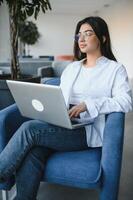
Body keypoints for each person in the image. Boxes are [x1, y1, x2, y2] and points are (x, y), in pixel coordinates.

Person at [0, 16, 132, 200]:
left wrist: (89, 105)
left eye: (88, 34)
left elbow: (126, 101)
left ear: (103, 38)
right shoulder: (72, 68)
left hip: (85, 130)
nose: (82, 39)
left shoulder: (115, 69)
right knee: (33, 152)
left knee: (29, 129)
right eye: (79, 35)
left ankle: (1, 173)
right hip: (62, 123)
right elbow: (60, 96)